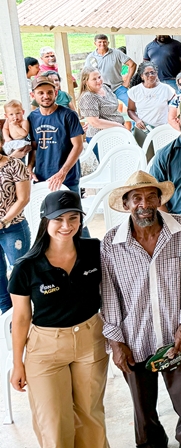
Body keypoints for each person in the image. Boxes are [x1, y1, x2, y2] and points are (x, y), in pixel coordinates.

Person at [100, 171, 181, 448]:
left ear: (159, 200)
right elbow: (109, 294)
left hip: (177, 334)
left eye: (150, 197)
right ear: (126, 204)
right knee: (143, 412)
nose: (144, 204)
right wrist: (115, 341)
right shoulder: (111, 242)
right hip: (134, 338)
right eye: (136, 198)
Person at [9, 190, 109, 448]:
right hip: (46, 349)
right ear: (46, 221)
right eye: (59, 219)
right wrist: (18, 363)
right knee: (54, 424)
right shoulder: (26, 267)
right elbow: (21, 319)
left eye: (73, 218)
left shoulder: (94, 250)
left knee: (91, 418)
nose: (67, 225)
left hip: (90, 340)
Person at [27, 75, 84, 192]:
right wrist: (29, 167)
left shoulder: (68, 115)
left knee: (71, 204)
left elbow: (78, 146)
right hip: (42, 177)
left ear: (56, 93)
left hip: (67, 177)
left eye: (49, 92)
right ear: (33, 95)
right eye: (41, 93)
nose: (46, 96)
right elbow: (34, 147)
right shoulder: (32, 117)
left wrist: (62, 173)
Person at [0, 131, 31, 313]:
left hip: (12, 228)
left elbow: (23, 198)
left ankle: (25, 313)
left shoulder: (15, 165)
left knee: (20, 273)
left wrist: (4, 221)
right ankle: (7, 314)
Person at [128, 62, 177, 146]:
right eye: (146, 73)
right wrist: (137, 120)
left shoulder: (166, 89)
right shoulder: (135, 91)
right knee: (146, 153)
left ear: (156, 74)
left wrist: (171, 120)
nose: (150, 75)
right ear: (142, 76)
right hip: (143, 129)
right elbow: (130, 110)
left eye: (152, 73)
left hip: (162, 129)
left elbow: (176, 106)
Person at [77, 68, 128, 142]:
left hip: (115, 132)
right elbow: (95, 122)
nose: (98, 81)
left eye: (99, 77)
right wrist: (119, 126)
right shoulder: (88, 96)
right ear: (86, 82)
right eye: (94, 79)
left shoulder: (104, 87)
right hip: (101, 137)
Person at [83, 33, 136, 105]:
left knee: (132, 105)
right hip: (100, 89)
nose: (102, 44)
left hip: (118, 87)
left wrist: (127, 81)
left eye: (104, 42)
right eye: (100, 42)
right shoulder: (91, 57)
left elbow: (132, 64)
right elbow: (86, 74)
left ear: (108, 43)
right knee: (102, 109)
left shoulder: (117, 53)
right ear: (95, 43)